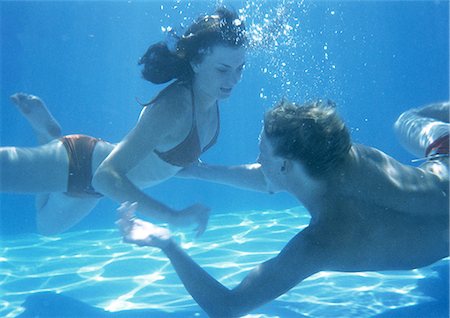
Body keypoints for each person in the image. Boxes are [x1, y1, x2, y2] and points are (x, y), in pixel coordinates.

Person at [118, 99, 449, 317]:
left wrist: (167, 243)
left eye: (262, 153)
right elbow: (270, 178)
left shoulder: (321, 243)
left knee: (408, 119)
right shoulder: (343, 155)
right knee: (406, 120)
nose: (258, 159)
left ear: (286, 166)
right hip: (444, 161)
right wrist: (196, 169)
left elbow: (226, 306)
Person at [0, 7, 247, 236]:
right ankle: (51, 140)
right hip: (84, 165)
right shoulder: (175, 107)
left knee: (46, 228)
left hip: (96, 189)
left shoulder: (211, 96)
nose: (234, 80)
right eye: (223, 70)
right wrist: (172, 217)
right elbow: (105, 175)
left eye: (240, 69)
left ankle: (46, 135)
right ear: (195, 63)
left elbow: (176, 165)